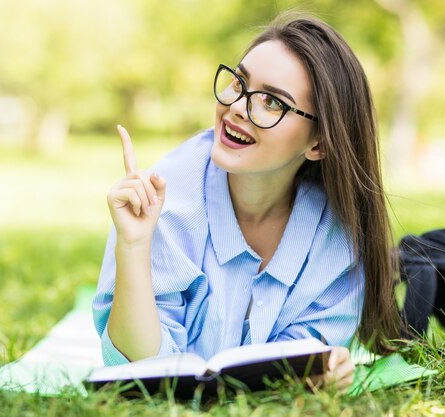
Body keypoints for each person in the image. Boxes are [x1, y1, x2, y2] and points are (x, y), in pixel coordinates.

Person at [93, 13, 400, 391]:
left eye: (272, 102)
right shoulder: (166, 198)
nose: (238, 106)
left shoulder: (337, 238)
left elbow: (298, 369)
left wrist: (318, 375)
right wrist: (134, 246)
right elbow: (140, 375)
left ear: (318, 143)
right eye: (239, 83)